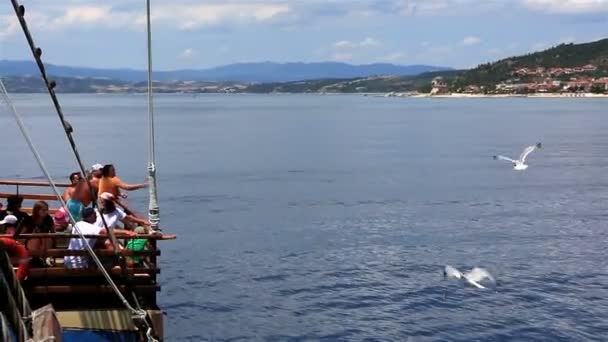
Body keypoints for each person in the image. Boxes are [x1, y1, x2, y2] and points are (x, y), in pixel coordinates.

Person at [64, 208, 135, 269]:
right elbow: (106, 231)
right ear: (90, 216)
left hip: (67, 260)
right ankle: (122, 268)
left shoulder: (78, 224)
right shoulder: (91, 227)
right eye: (95, 214)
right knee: (110, 260)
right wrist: (126, 232)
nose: (96, 216)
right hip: (79, 265)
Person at [21, 201, 55, 267]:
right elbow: (22, 234)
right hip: (31, 242)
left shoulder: (49, 219)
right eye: (43, 210)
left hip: (44, 242)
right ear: (37, 210)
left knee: (47, 237)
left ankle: (45, 257)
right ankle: (35, 257)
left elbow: (53, 233)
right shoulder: (29, 219)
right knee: (35, 238)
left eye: (46, 210)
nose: (46, 212)